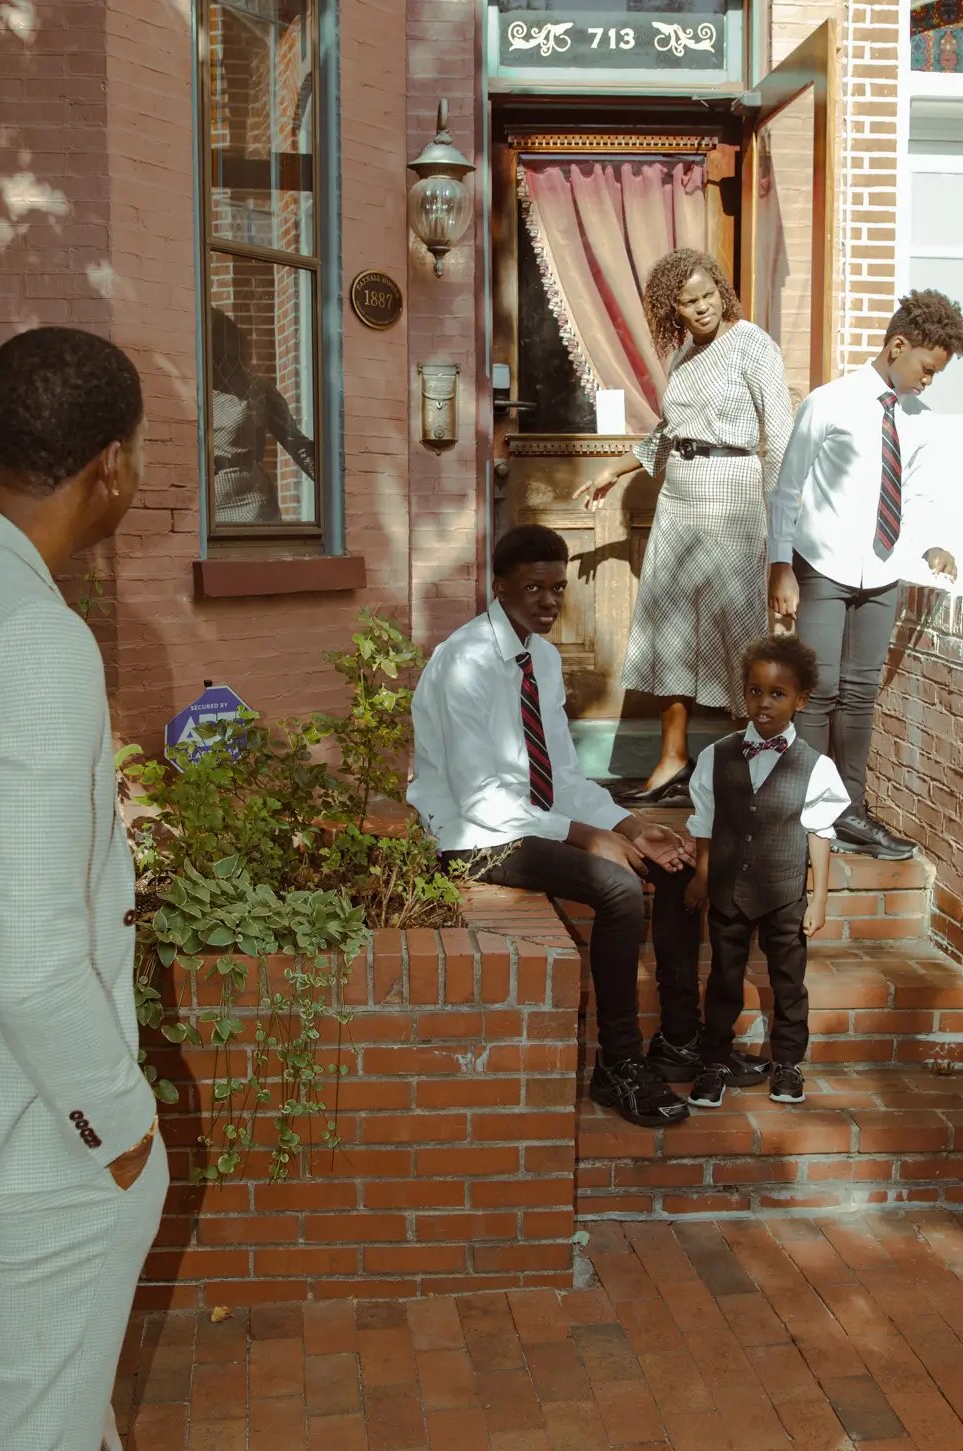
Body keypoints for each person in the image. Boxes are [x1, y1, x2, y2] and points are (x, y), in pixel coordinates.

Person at [0, 329, 246, 1451]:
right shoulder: (37, 638)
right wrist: (119, 1125)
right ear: (112, 468)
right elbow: (28, 964)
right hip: (30, 1123)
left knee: (59, 1419)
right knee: (33, 1443)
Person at [408, 523, 708, 1128]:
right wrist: (589, 837)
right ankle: (617, 1064)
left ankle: (678, 1040)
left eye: (558, 588)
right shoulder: (464, 663)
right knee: (618, 888)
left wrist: (629, 822)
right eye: (533, 588)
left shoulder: (539, 658)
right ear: (499, 587)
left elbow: (562, 775)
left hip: (531, 818)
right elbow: (480, 800)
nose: (549, 602)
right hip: (471, 837)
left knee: (673, 863)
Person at [574, 248, 794, 805]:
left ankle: (757, 764)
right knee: (670, 627)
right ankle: (672, 760)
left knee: (739, 627)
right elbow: (670, 433)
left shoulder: (752, 344)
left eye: (708, 296)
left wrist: (781, 535)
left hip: (736, 495)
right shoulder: (681, 358)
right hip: (679, 500)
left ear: (722, 289)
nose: (701, 309)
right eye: (688, 301)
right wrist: (615, 470)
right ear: (671, 307)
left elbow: (781, 442)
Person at [768, 289, 963, 859]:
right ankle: (805, 809)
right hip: (821, 567)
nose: (929, 382)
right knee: (819, 688)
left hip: (884, 572)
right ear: (898, 346)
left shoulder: (922, 421)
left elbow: (922, 494)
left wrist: (933, 547)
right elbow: (786, 489)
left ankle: (850, 812)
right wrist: (782, 566)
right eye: (926, 369)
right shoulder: (830, 403)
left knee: (859, 693)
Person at [684, 635, 850, 1109]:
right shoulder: (718, 755)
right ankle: (713, 1062)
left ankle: (788, 1065)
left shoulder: (816, 767)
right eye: (755, 691)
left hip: (784, 895)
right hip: (728, 890)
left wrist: (817, 898)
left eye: (778, 694)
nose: (764, 702)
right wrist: (701, 875)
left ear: (801, 699)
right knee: (723, 979)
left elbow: (819, 832)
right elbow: (706, 823)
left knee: (788, 983)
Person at [211, 306, 315, 525]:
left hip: (252, 503)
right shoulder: (195, 390)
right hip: (206, 505)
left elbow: (296, 443)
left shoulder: (258, 389)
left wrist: (338, 489)